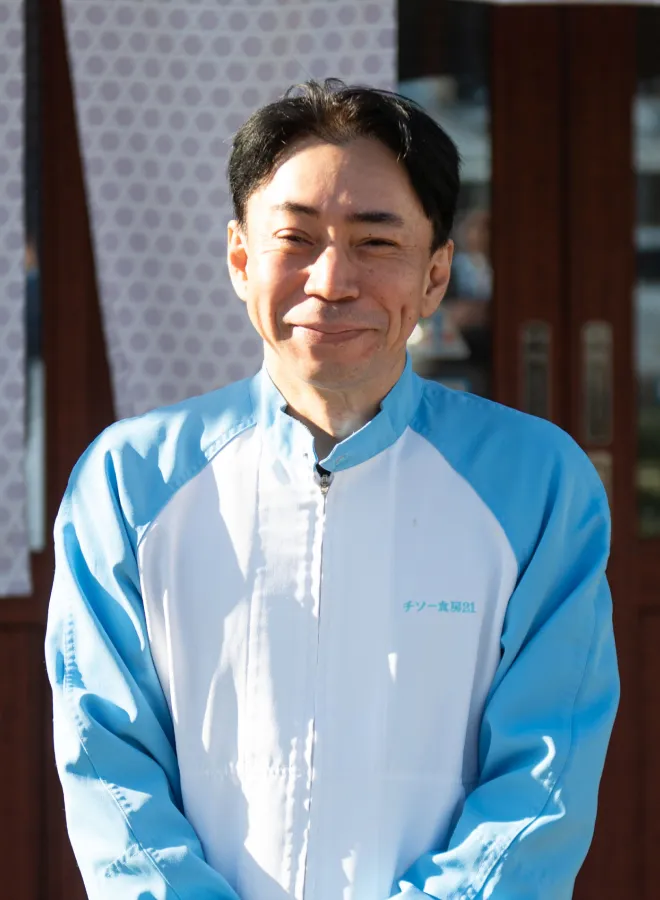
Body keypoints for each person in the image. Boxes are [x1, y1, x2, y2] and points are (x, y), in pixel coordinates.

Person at [45, 79, 619, 900]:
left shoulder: (536, 484)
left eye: (376, 242)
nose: (331, 279)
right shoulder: (130, 482)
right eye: (296, 238)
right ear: (240, 259)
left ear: (436, 275)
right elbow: (107, 762)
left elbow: (543, 776)